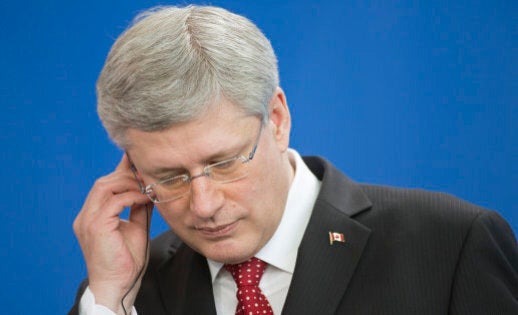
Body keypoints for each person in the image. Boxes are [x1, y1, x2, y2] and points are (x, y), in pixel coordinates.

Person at [69, 5, 517, 315]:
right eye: (169, 177)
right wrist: (109, 295)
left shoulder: (451, 245)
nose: (203, 205)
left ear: (278, 120)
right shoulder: (128, 289)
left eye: (224, 163)